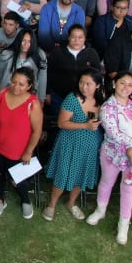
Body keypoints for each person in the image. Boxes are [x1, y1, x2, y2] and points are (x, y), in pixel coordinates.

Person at [88, 72, 132, 246]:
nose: (126, 88)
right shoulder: (107, 107)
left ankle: (124, 224)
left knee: (129, 188)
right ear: (114, 84)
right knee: (106, 182)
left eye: (130, 85)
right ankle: (100, 210)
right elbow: (114, 133)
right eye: (122, 83)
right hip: (112, 153)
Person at [43, 70, 102, 221]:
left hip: (90, 146)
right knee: (63, 173)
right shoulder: (72, 99)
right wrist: (85, 125)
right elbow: (62, 123)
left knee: (80, 175)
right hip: (70, 143)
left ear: (97, 85)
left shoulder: (101, 101)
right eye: (82, 82)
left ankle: (71, 202)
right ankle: (52, 204)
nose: (84, 87)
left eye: (88, 84)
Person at [0, 68, 44, 219]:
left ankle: (25, 200)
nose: (16, 87)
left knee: (16, 178)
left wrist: (29, 151)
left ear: (29, 86)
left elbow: (37, 131)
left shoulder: (33, 104)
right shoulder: (2, 94)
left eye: (21, 84)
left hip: (18, 150)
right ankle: (0, 199)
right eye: (14, 82)